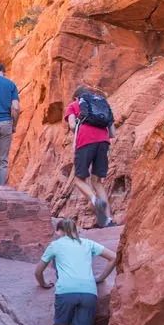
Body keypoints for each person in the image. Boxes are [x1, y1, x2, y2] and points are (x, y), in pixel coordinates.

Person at [65, 84, 116, 228]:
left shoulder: (73, 105)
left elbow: (72, 126)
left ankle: (95, 200)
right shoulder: (103, 105)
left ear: (76, 97)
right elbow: (113, 133)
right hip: (103, 142)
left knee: (79, 179)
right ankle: (107, 219)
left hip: (85, 141)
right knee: (97, 181)